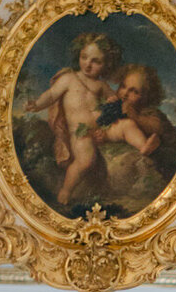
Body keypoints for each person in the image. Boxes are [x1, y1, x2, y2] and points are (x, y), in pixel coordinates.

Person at [22, 31, 120, 209]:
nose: (88, 65)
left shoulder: (102, 85)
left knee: (125, 129)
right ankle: (66, 190)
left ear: (107, 65)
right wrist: (36, 104)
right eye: (84, 57)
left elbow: (113, 104)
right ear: (78, 55)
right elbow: (51, 95)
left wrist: (112, 102)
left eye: (96, 61)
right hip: (79, 132)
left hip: (98, 131)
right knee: (85, 161)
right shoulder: (69, 78)